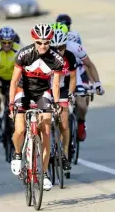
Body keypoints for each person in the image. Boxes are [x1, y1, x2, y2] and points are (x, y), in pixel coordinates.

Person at [9, 23, 64, 191]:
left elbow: (55, 84)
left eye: (46, 43)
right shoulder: (24, 54)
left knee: (46, 129)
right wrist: (11, 104)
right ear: (34, 40)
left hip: (42, 92)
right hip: (23, 90)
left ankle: (45, 172)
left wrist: (56, 103)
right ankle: (18, 155)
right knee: (19, 130)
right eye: (39, 42)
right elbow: (13, 81)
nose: (43, 46)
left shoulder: (56, 59)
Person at [52, 22, 105, 141]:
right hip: (55, 76)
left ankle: (80, 124)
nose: (58, 50)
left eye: (61, 47)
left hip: (74, 75)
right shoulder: (45, 49)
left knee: (81, 103)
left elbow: (89, 65)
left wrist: (97, 83)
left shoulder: (74, 47)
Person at [50, 29, 77, 170]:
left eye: (61, 47)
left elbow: (72, 78)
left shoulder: (70, 57)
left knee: (64, 124)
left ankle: (65, 155)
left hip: (61, 89)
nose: (58, 51)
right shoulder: (43, 56)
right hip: (45, 89)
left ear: (65, 46)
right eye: (55, 48)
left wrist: (71, 94)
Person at [0, 26, 22, 129]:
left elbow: (25, 66)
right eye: (4, 42)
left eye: (9, 43)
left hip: (13, 77)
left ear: (13, 41)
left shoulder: (18, 49)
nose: (7, 45)